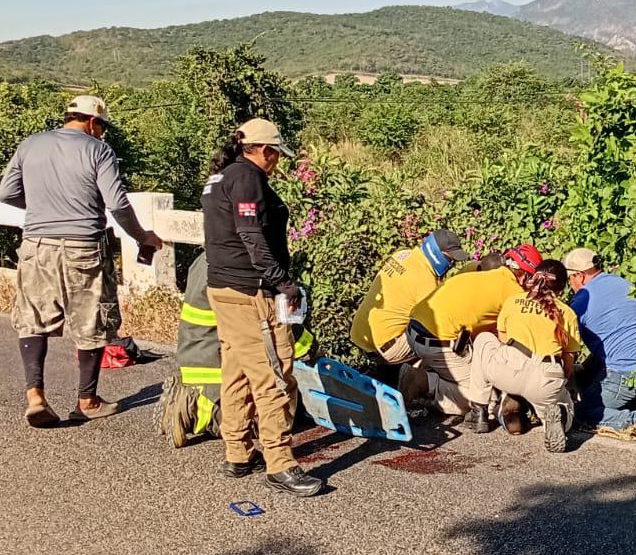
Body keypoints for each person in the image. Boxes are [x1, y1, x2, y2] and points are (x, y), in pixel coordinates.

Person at [0, 94, 164, 427]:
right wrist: (141, 235)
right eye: (102, 127)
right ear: (92, 122)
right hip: (84, 245)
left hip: (36, 244)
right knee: (92, 320)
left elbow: (5, 193)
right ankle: (87, 400)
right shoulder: (97, 150)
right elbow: (117, 204)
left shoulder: (31, 145)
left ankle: (35, 395)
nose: (102, 134)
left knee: (34, 318)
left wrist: (44, 207)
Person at [201, 118, 321, 497]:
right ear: (264, 150)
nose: (277, 163)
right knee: (273, 374)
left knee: (236, 370)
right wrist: (282, 282)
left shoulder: (220, 177)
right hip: (252, 292)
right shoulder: (248, 178)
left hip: (223, 288)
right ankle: (280, 462)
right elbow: (250, 233)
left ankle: (237, 451)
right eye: (276, 156)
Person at [159, 248, 316, 449]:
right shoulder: (248, 266)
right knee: (277, 416)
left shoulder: (206, 258)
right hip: (219, 370)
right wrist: (309, 347)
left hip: (196, 360)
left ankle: (194, 399)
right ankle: (195, 408)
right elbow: (276, 323)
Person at [404, 244, 542, 416]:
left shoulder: (478, 275)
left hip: (413, 330)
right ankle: (424, 382)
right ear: (527, 276)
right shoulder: (513, 293)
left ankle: (429, 374)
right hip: (437, 343)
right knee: (486, 399)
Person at [465, 258, 580, 452]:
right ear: (561, 288)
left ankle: (479, 411)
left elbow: (502, 339)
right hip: (546, 377)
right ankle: (557, 413)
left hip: (509, 369)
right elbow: (568, 363)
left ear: (533, 278)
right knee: (565, 410)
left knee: (484, 338)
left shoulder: (513, 301)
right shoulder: (567, 313)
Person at [563, 248, 636, 431]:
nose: (570, 285)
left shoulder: (581, 302)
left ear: (579, 276)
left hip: (628, 371)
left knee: (582, 411)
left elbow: (568, 349)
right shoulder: (622, 283)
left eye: (570, 278)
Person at [350, 229, 469, 366]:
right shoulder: (426, 283)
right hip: (384, 348)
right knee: (439, 344)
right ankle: (411, 379)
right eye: (450, 259)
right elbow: (442, 325)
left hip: (360, 332)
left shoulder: (403, 255)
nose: (452, 264)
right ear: (436, 253)